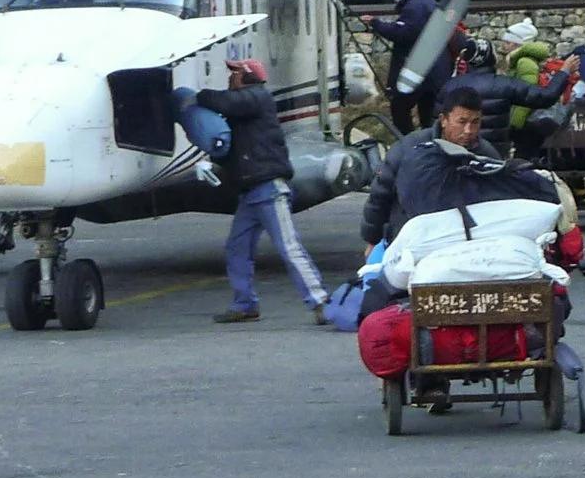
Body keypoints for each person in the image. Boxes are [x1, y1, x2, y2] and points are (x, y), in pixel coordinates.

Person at [200, 59, 330, 325]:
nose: (230, 78)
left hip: (268, 188)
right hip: (251, 191)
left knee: (289, 247)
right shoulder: (247, 110)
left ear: (246, 77)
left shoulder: (256, 98)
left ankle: (321, 301)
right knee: (237, 248)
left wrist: (195, 97)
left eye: (234, 73)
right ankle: (244, 304)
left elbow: (222, 102)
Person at [360, 85, 505, 250]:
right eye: (462, 122)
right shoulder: (409, 148)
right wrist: (372, 240)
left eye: (475, 122)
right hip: (409, 240)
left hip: (464, 243)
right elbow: (380, 196)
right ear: (444, 120)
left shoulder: (486, 156)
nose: (468, 130)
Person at [365, 0, 441, 132]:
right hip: (432, 69)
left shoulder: (414, 6)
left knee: (399, 107)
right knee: (427, 111)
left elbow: (404, 33)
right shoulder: (427, 2)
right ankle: (428, 141)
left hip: (414, 68)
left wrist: (376, 23)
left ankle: (408, 142)